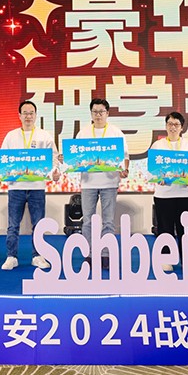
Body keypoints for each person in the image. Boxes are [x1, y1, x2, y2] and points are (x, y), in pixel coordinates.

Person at [0, 101, 59, 271]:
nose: (28, 116)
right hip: (16, 187)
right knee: (13, 225)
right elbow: (2, 159)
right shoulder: (11, 136)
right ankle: (11, 256)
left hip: (37, 187)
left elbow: (54, 158)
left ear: (36, 115)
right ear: (19, 115)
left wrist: (54, 172)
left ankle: (37, 256)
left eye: (31, 113)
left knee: (38, 224)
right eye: (25, 113)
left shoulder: (44, 136)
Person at [76, 98, 129, 271]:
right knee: (87, 221)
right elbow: (76, 158)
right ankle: (89, 254)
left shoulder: (116, 132)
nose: (98, 115)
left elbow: (125, 156)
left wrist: (124, 169)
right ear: (91, 114)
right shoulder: (83, 133)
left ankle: (106, 255)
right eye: (95, 112)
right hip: (88, 183)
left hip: (110, 182)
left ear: (107, 113)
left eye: (101, 112)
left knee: (108, 221)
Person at [149, 111, 188, 272]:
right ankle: (166, 259)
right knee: (165, 229)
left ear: (182, 127)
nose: (173, 127)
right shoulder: (158, 146)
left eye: (176, 124)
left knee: (186, 229)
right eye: (170, 124)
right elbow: (152, 170)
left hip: (187, 195)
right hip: (164, 195)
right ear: (165, 126)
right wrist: (158, 177)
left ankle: (187, 260)